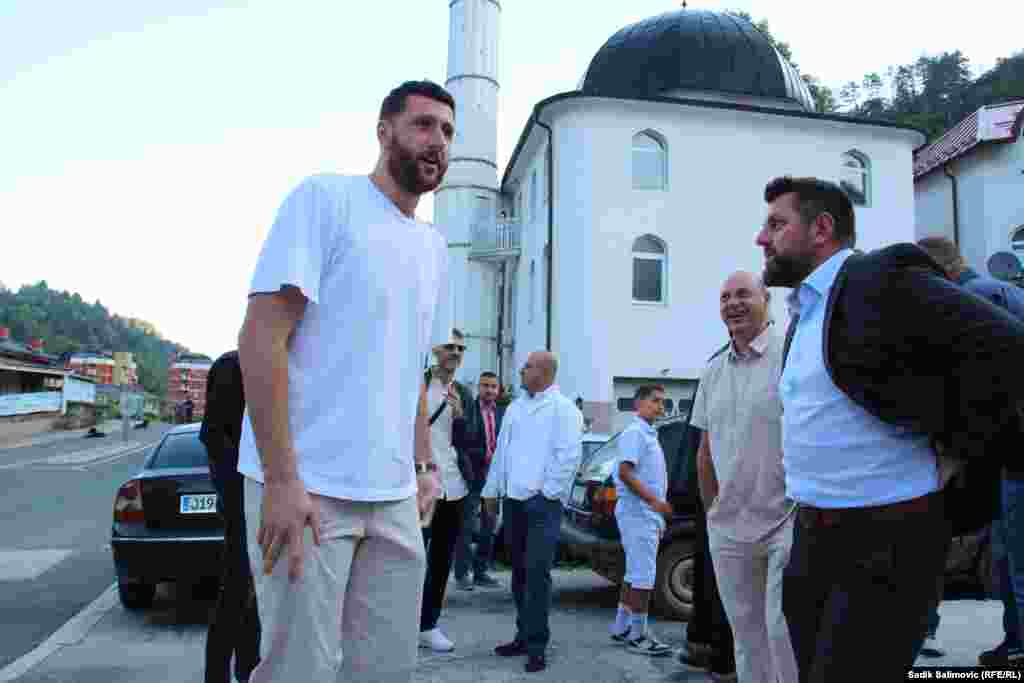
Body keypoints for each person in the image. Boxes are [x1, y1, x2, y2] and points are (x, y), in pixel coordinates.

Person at [755, 176, 1024, 682]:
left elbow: (1006, 347)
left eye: (777, 224)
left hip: (886, 536)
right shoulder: (806, 312)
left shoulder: (879, 279)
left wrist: (966, 452)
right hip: (813, 534)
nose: (761, 238)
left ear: (821, 229)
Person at [234, 80, 454, 683]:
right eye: (423, 124)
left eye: (447, 131)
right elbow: (261, 338)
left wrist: (424, 466)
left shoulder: (433, 248)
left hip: (393, 496)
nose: (437, 141)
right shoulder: (325, 200)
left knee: (386, 670)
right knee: (299, 669)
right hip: (309, 490)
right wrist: (282, 480)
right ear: (384, 132)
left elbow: (409, 369)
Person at [917, 235, 1024, 664]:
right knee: (1007, 555)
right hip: (1010, 449)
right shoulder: (1002, 291)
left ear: (939, 271)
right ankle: (1014, 640)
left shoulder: (974, 298)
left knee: (1018, 560)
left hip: (1017, 450)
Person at [692, 271, 798, 683]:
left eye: (742, 295)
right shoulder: (713, 369)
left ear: (766, 300)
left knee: (781, 631)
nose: (732, 304)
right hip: (729, 528)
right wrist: (713, 512)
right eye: (725, 297)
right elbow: (705, 449)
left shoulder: (789, 355)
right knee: (746, 636)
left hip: (785, 519)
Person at [481, 352, 583, 673]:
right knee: (519, 574)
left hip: (542, 505)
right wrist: (490, 491)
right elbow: (502, 452)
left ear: (544, 372)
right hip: (513, 501)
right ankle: (523, 636)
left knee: (537, 575)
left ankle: (537, 645)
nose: (522, 371)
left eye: (527, 367)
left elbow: (568, 457)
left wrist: (547, 494)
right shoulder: (515, 408)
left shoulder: (564, 410)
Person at [200, 350, 260, 683]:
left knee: (255, 593)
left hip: (259, 494)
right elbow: (214, 437)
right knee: (237, 590)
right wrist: (239, 494)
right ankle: (219, 675)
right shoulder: (232, 365)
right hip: (241, 498)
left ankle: (247, 669)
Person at [419, 329, 475, 652]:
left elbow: (471, 443)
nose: (455, 353)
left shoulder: (463, 393)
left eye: (460, 349)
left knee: (441, 561)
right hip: (419, 485)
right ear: (435, 349)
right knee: (411, 558)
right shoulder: (419, 384)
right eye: (449, 347)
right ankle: (401, 623)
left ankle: (428, 625)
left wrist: (462, 416)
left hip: (454, 487)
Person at [608, 385, 673, 656]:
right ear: (638, 404)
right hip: (639, 513)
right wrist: (654, 502)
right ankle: (638, 635)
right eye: (654, 401)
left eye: (662, 402)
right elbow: (625, 473)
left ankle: (621, 627)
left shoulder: (646, 433)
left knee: (634, 573)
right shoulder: (635, 433)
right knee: (644, 575)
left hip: (643, 513)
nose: (660, 406)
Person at [453, 370, 506, 591]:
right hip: (473, 477)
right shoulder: (469, 410)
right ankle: (462, 574)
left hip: (494, 480)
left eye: (493, 386)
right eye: (485, 385)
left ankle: (481, 572)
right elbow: (462, 443)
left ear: (498, 390)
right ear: (478, 387)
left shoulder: (503, 413)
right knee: (466, 528)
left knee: (488, 527)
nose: (489, 390)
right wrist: (484, 456)